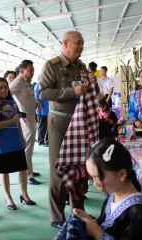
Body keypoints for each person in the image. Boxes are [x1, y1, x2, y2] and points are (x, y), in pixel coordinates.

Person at [39, 31, 99, 229]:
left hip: (80, 123)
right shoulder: (52, 66)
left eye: (82, 43)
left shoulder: (82, 67)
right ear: (65, 43)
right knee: (58, 168)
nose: (81, 47)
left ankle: (78, 213)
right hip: (59, 122)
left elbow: (92, 92)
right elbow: (43, 92)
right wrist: (71, 91)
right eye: (78, 43)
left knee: (79, 169)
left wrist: (93, 83)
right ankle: (56, 217)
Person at [69, 138, 142, 239]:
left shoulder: (138, 212)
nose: (95, 184)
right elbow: (104, 225)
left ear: (122, 174)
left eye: (99, 178)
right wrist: (90, 221)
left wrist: (96, 233)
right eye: (92, 178)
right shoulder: (113, 195)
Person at [0, 77, 36, 210]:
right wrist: (11, 121)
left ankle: (24, 194)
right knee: (4, 171)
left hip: (16, 140)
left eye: (5, 87)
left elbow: (18, 121)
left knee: (22, 168)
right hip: (1, 143)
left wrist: (22, 136)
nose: (3, 90)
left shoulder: (11, 102)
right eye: (0, 87)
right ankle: (8, 197)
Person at [9, 60, 42, 185]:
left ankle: (30, 170)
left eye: (33, 69)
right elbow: (7, 94)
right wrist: (12, 111)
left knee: (30, 146)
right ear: (22, 71)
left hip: (31, 116)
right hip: (25, 117)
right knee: (27, 147)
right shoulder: (17, 82)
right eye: (30, 70)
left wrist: (36, 102)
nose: (32, 72)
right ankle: (28, 175)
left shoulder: (26, 82)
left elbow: (28, 97)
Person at [34, 77, 49, 147]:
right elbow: (37, 99)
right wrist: (40, 108)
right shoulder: (37, 86)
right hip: (42, 111)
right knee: (42, 126)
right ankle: (41, 141)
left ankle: (46, 140)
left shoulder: (45, 86)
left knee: (46, 127)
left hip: (47, 110)